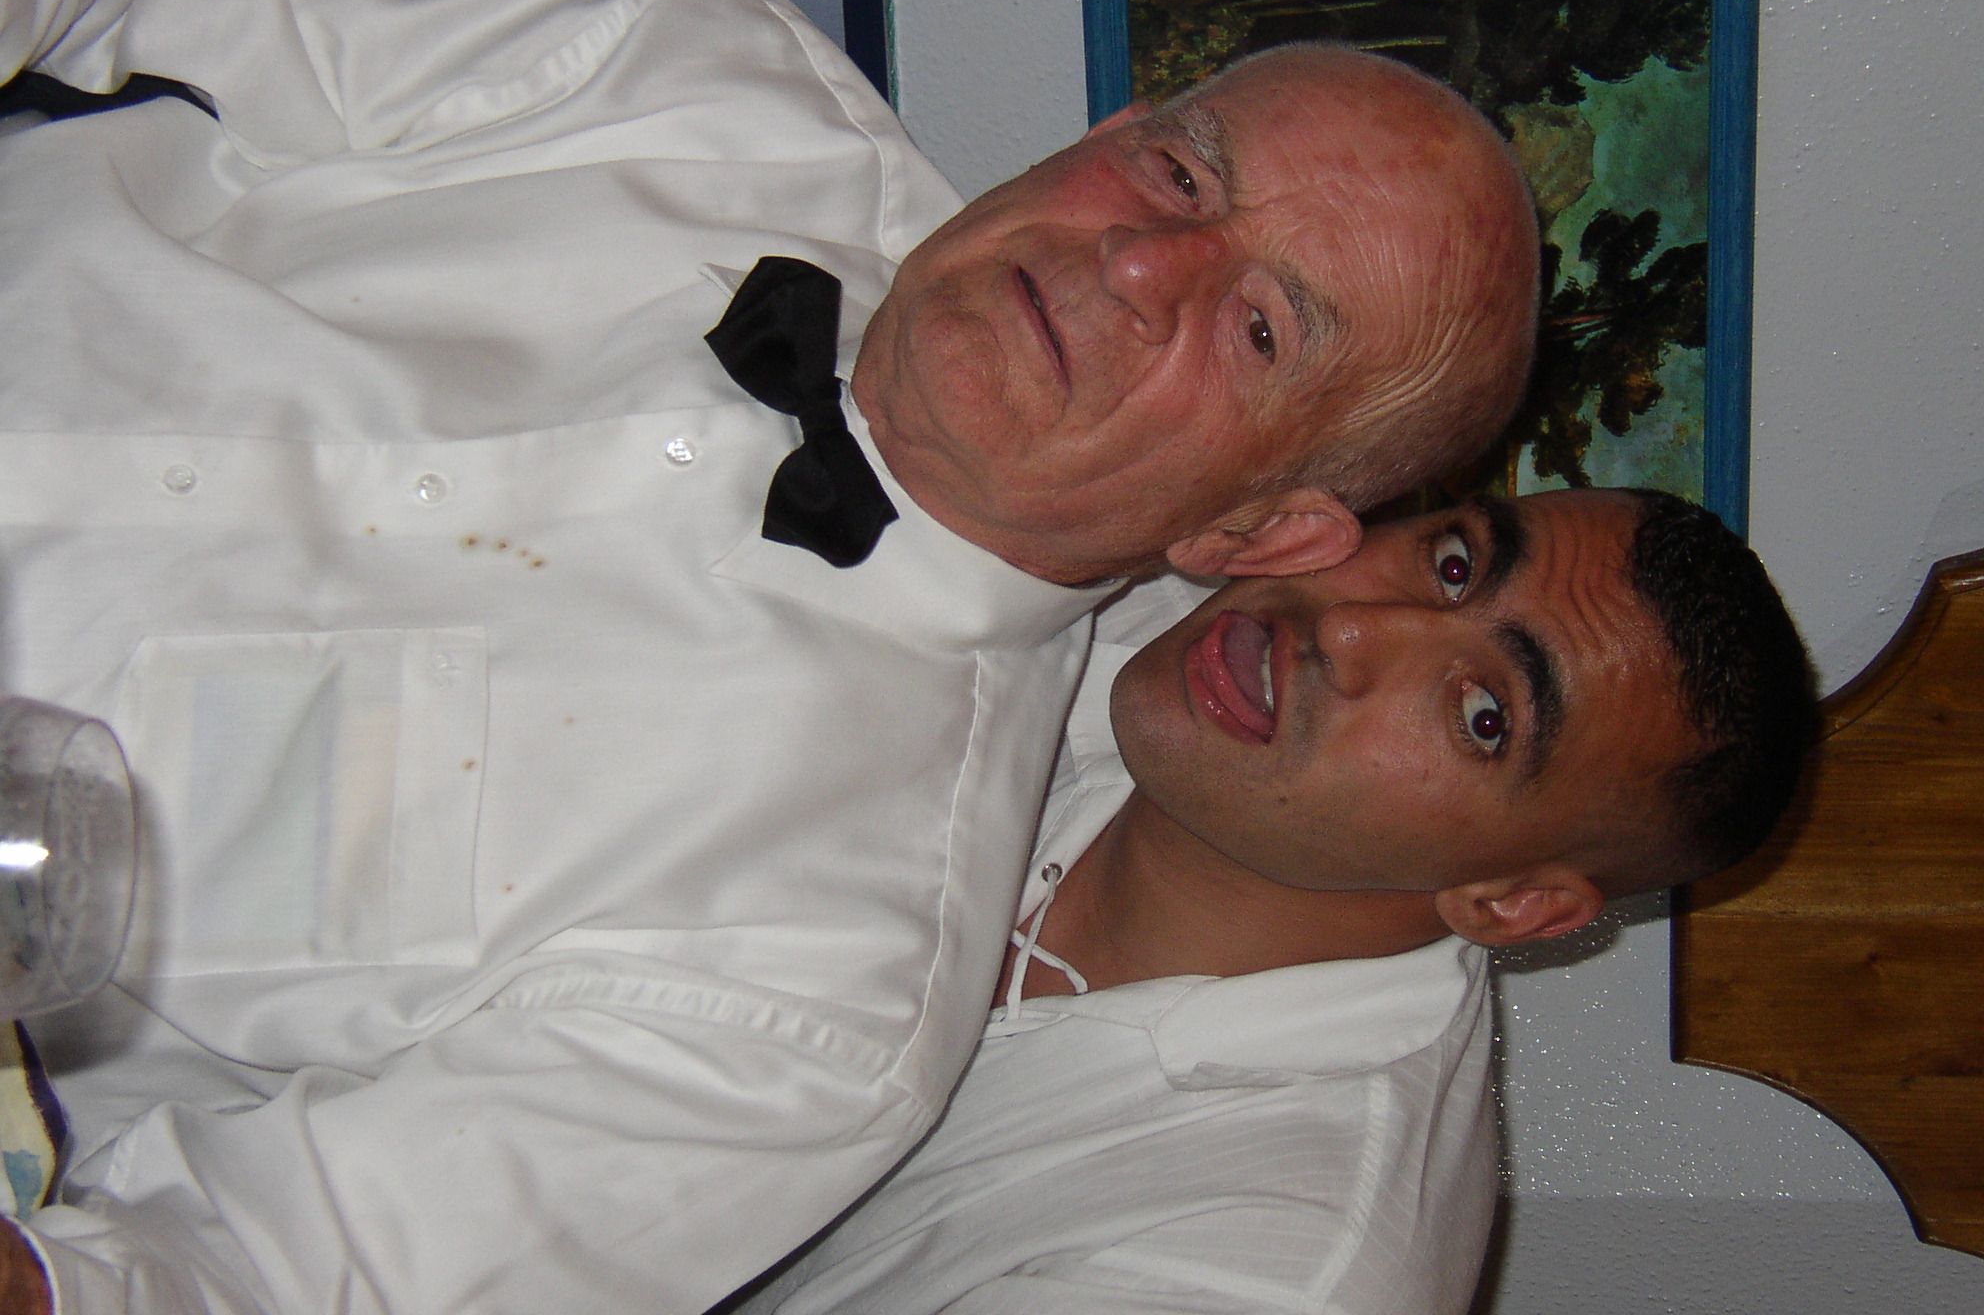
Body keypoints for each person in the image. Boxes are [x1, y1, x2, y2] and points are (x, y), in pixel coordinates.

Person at [0, 0, 1537, 1311]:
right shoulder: (705, 86)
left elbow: (248, 1277)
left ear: (1253, 537)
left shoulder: (813, 1001)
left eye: (1258, 329)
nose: (1141, 263)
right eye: (1183, 176)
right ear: (1109, 132)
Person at [733, 488, 1818, 1315]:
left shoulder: (1270, 1267)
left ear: (1513, 901)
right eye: (1451, 564)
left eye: (1483, 716)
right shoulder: (1121, 583)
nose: (1353, 629)